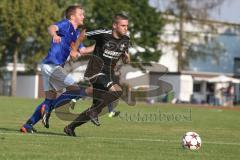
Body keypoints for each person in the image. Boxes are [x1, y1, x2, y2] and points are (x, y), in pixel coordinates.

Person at [20, 5, 94, 133]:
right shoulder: (66, 24)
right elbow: (52, 27)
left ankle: (27, 126)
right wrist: (54, 34)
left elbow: (82, 50)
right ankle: (47, 108)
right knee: (75, 90)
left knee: (50, 98)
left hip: (47, 66)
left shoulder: (75, 34)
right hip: (53, 66)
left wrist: (100, 45)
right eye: (81, 14)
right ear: (72, 17)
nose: (83, 16)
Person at [63, 13, 131, 136]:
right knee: (117, 91)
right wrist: (74, 50)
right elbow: (82, 35)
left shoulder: (126, 40)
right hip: (95, 71)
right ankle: (92, 111)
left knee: (97, 107)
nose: (126, 28)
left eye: (127, 26)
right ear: (115, 25)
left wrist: (126, 58)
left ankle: (70, 127)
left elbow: (126, 60)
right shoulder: (104, 34)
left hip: (109, 73)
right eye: (123, 25)